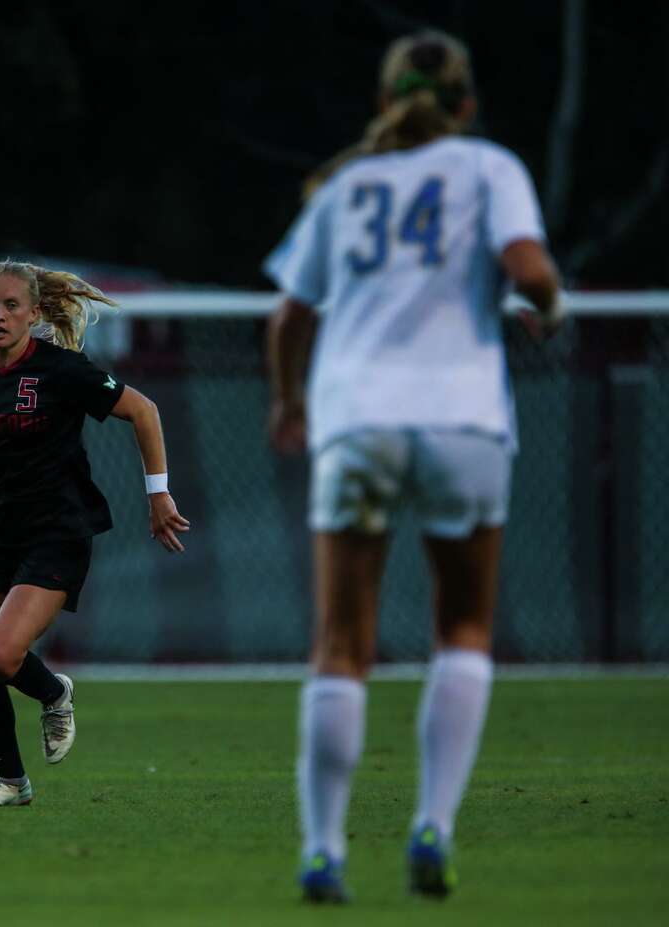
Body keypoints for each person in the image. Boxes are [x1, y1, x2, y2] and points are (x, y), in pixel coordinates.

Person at [264, 31, 561, 902]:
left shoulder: (345, 185)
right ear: (466, 105)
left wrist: (289, 401)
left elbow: (288, 317)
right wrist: (549, 304)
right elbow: (529, 269)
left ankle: (324, 849)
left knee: (340, 645)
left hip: (357, 419)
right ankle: (433, 824)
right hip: (463, 417)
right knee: (463, 628)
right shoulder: (489, 167)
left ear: (385, 101)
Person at [0, 260, 190, 808]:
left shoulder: (63, 370)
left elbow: (144, 410)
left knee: (1, 655)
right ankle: (11, 783)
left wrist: (159, 493)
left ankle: (56, 693)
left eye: (9, 305)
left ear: (33, 312)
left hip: (59, 529)